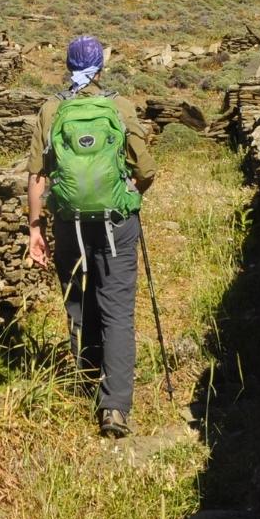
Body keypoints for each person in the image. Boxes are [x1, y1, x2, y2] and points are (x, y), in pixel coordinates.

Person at [26, 35, 156, 437]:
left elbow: (36, 177)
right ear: (101, 67)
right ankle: (114, 408)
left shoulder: (51, 109)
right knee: (117, 309)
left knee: (80, 301)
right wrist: (132, 192)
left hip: (70, 223)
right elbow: (146, 167)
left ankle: (86, 379)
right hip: (117, 221)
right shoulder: (119, 106)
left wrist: (35, 228)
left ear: (67, 65)